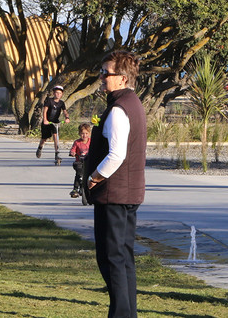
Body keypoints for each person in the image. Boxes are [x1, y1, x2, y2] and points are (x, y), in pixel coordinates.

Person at [83, 50, 147, 318]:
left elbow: (117, 154)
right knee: (123, 258)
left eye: (105, 73)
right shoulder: (133, 103)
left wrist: (94, 177)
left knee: (111, 260)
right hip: (127, 193)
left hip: (114, 195)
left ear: (121, 78)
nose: (101, 77)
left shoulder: (120, 109)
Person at [37, 85, 66, 160]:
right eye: (56, 93)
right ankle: (40, 147)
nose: (58, 95)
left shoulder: (62, 103)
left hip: (55, 122)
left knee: (56, 137)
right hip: (47, 121)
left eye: (60, 93)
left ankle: (57, 153)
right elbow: (45, 110)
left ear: (62, 94)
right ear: (53, 93)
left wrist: (67, 118)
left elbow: (65, 111)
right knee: (44, 138)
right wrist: (45, 120)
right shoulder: (49, 101)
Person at [70, 122, 92, 198]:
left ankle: (92, 188)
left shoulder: (91, 142)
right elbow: (73, 150)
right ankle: (75, 189)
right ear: (79, 133)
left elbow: (95, 149)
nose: (84, 135)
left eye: (86, 133)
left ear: (89, 133)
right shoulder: (77, 142)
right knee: (79, 173)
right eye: (82, 133)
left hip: (89, 161)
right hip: (79, 161)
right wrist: (72, 153)